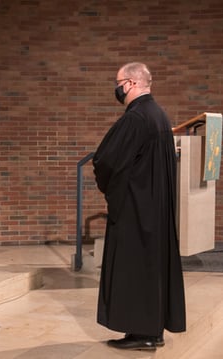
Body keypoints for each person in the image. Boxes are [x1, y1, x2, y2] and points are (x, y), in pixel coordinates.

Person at [92, 62, 186, 350]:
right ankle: (151, 330)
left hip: (135, 208)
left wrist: (111, 187)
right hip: (154, 208)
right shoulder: (158, 115)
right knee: (149, 269)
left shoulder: (136, 118)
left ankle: (143, 334)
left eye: (118, 82)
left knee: (133, 269)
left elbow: (106, 160)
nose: (116, 87)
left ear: (131, 83)